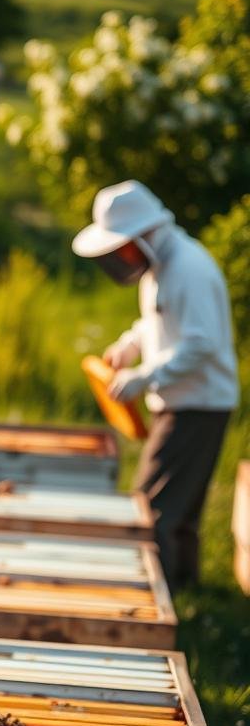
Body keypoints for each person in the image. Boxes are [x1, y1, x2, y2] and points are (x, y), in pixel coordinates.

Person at [73, 180, 239, 591]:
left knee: (154, 505)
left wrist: (144, 377)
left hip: (197, 405)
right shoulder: (163, 267)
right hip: (187, 400)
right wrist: (129, 347)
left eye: (121, 247)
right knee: (179, 509)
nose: (119, 257)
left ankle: (156, 594)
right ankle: (185, 590)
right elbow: (158, 323)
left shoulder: (189, 268)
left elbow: (202, 342)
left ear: (142, 235)